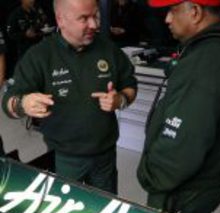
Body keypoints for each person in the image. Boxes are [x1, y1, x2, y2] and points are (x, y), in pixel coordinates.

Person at [2, 0, 137, 194]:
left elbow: (130, 85)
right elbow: (8, 103)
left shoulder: (109, 49)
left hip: (105, 156)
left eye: (95, 16)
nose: (94, 25)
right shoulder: (40, 56)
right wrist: (23, 103)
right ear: (60, 19)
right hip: (63, 158)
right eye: (84, 18)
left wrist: (121, 100)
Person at [137, 0, 220, 213]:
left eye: (172, 10)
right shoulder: (214, 50)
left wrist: (151, 176)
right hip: (200, 187)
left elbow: (183, 139)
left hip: (180, 194)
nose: (167, 19)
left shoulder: (205, 61)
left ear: (195, 12)